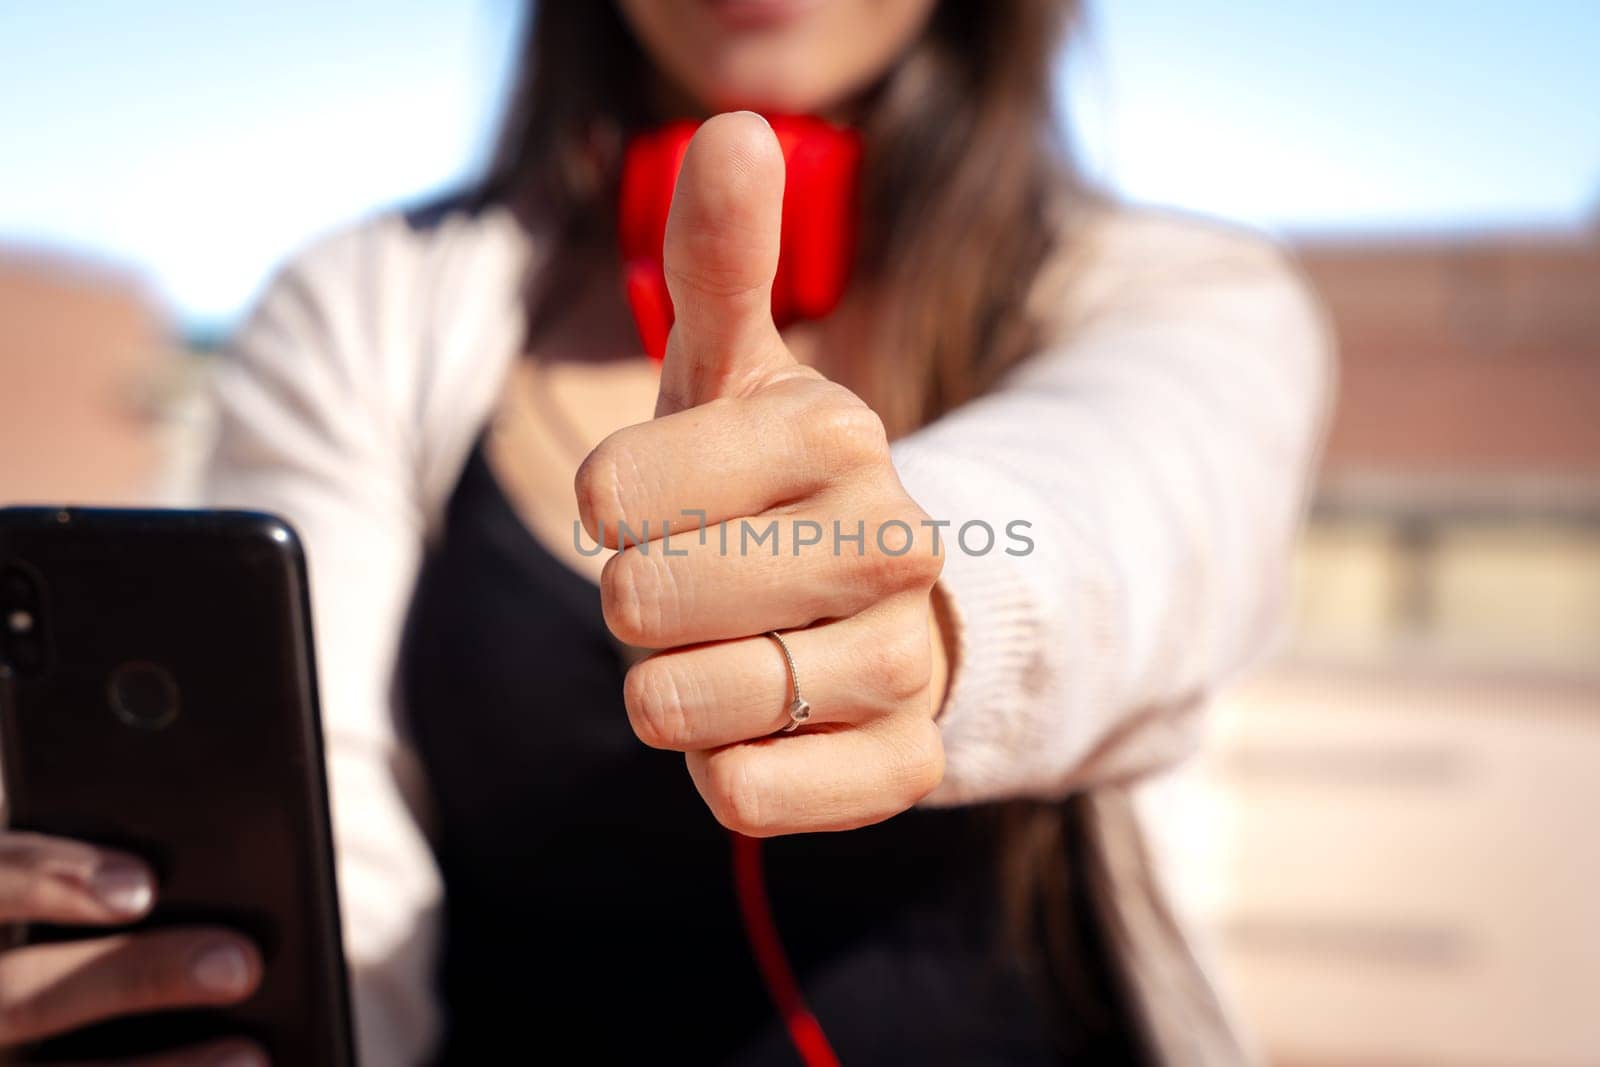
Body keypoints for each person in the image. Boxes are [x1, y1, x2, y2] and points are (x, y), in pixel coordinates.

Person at [0, 2, 1331, 1063]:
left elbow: (1143, 503)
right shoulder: (360, 312)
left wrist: (919, 589)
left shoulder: (1186, 292)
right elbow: (324, 838)